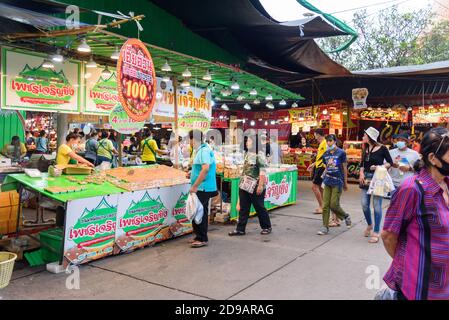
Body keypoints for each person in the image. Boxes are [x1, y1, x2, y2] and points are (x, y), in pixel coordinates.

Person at [382, 127, 449, 300]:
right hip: (419, 287)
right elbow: (389, 235)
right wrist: (410, 262)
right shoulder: (412, 189)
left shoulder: (447, 184)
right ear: (433, 158)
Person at [229, 134, 272, 236]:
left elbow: (262, 171)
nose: (246, 143)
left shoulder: (260, 155)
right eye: (247, 141)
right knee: (244, 208)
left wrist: (260, 185)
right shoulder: (247, 154)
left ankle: (267, 226)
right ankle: (240, 229)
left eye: (249, 141)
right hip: (245, 185)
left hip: (256, 185)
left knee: (259, 207)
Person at [359, 127, 393, 244]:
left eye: (364, 135)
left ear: (370, 137)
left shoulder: (383, 148)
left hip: (378, 178)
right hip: (366, 179)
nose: (363, 137)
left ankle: (376, 231)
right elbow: (362, 163)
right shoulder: (365, 148)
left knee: (377, 206)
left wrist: (381, 167)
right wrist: (361, 173)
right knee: (364, 204)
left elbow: (390, 162)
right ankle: (369, 224)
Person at [187, 130, 218, 248]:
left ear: (193, 139)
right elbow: (201, 168)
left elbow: (205, 169)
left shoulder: (203, 151)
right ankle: (198, 236)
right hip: (202, 186)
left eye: (189, 140)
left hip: (203, 187)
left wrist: (195, 186)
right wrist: (192, 173)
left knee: (199, 212)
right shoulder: (202, 150)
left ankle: (202, 238)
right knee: (199, 211)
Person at [317, 134, 352, 235]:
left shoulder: (341, 153)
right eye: (327, 141)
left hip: (337, 181)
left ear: (335, 141)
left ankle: (345, 216)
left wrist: (345, 182)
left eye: (331, 141)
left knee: (333, 204)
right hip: (327, 181)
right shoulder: (326, 154)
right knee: (325, 205)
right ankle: (325, 227)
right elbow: (326, 166)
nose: (329, 143)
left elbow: (345, 168)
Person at [309, 129, 327, 214]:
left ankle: (321, 206)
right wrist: (314, 164)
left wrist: (325, 167)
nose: (314, 136)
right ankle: (323, 206)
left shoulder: (324, 143)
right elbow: (320, 157)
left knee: (314, 187)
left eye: (315, 134)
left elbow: (327, 156)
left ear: (318, 135)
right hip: (319, 167)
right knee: (320, 187)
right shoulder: (321, 144)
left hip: (321, 168)